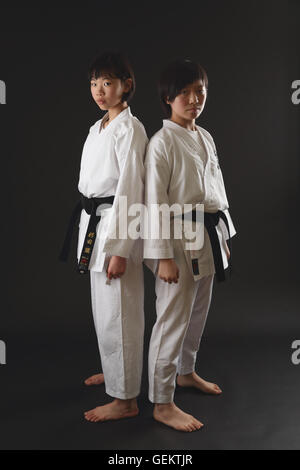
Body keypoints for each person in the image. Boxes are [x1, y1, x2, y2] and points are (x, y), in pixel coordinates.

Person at [143, 58, 237, 432]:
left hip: (208, 234)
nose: (194, 99)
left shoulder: (205, 136)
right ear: (168, 98)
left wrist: (224, 237)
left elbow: (218, 192)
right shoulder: (162, 142)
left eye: (199, 91)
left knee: (197, 314)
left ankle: (186, 372)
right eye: (184, 92)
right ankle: (162, 402)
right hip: (177, 237)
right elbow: (153, 202)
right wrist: (163, 256)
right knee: (171, 320)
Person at [73, 51, 148, 422]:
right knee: (104, 310)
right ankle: (117, 373)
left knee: (120, 312)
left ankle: (126, 399)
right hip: (94, 223)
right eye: (94, 83)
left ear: (126, 86)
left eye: (107, 83)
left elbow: (132, 191)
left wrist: (119, 250)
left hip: (117, 226)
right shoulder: (98, 127)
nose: (99, 91)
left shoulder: (130, 130)